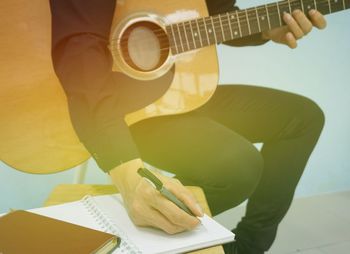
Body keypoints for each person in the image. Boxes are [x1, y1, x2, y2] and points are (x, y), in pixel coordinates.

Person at [50, 0, 326, 253]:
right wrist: (126, 171)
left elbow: (211, 16)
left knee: (303, 118)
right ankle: (143, 232)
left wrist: (264, 30)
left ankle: (246, 248)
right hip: (112, 107)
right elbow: (78, 46)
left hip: (174, 95)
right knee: (239, 166)